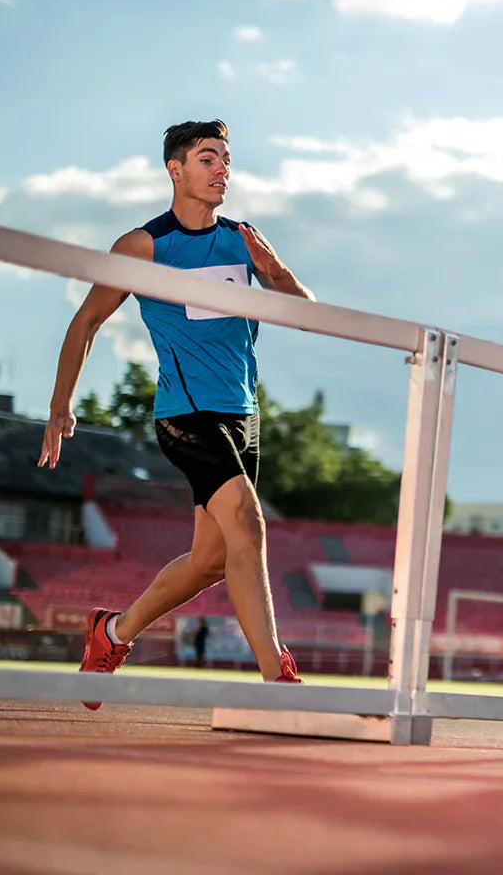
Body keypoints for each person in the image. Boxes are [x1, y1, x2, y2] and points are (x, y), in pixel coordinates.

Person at [38, 120, 313, 702]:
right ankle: (280, 684)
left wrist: (274, 271)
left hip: (243, 414)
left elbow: (306, 310)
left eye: (226, 159)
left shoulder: (242, 239)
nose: (221, 169)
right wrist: (62, 405)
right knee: (248, 521)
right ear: (176, 169)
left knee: (212, 559)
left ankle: (111, 632)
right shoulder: (144, 246)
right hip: (185, 413)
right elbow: (86, 322)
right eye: (208, 158)